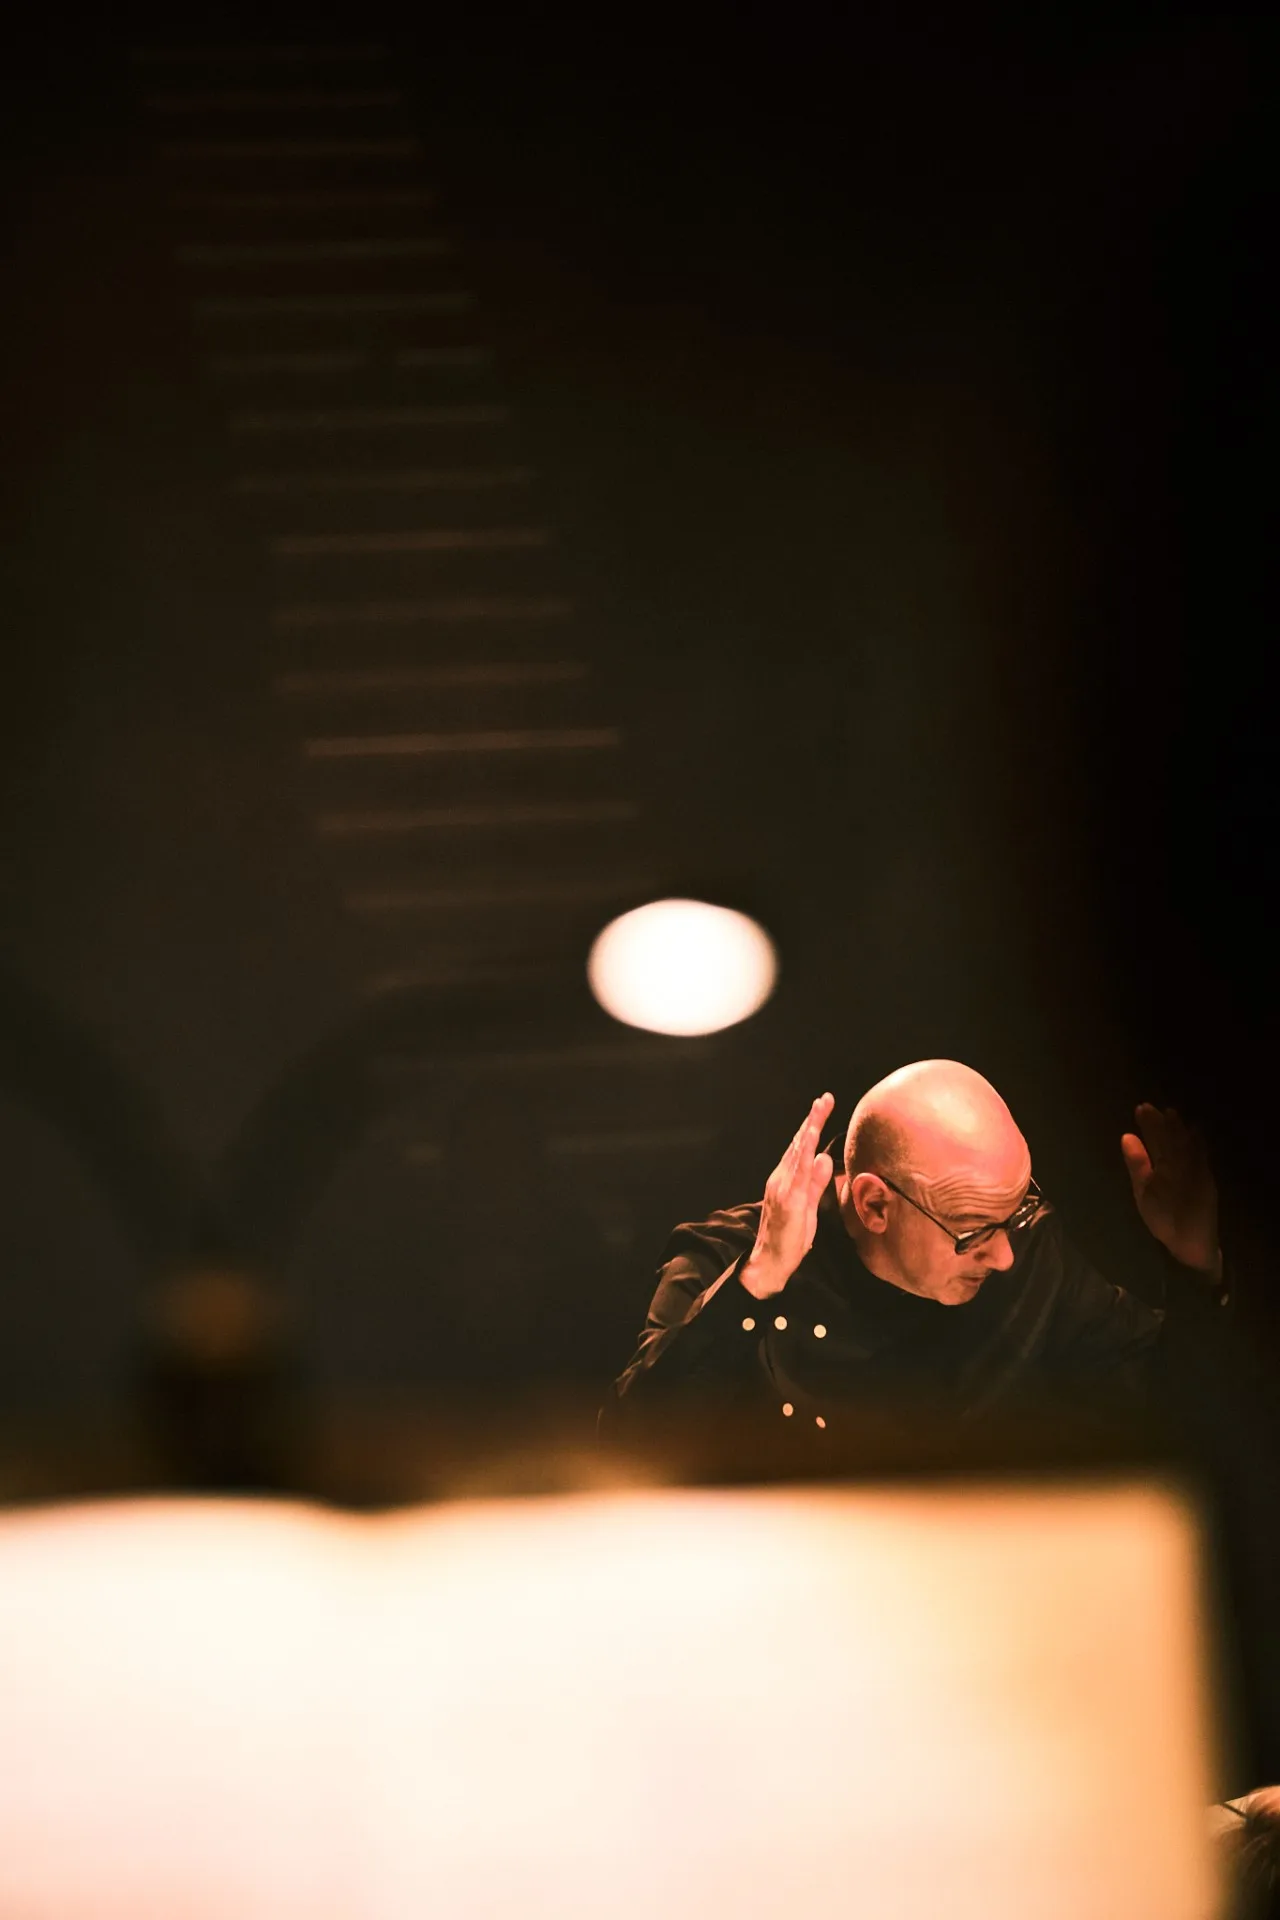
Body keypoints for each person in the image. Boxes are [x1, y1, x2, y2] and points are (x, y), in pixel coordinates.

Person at [602, 1059, 1231, 1444]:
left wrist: (1194, 1264)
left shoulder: (1028, 1250)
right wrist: (759, 1279)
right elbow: (630, 1444)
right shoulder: (731, 1255)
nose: (1004, 1256)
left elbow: (1181, 1406)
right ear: (875, 1205)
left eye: (1015, 1214)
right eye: (972, 1231)